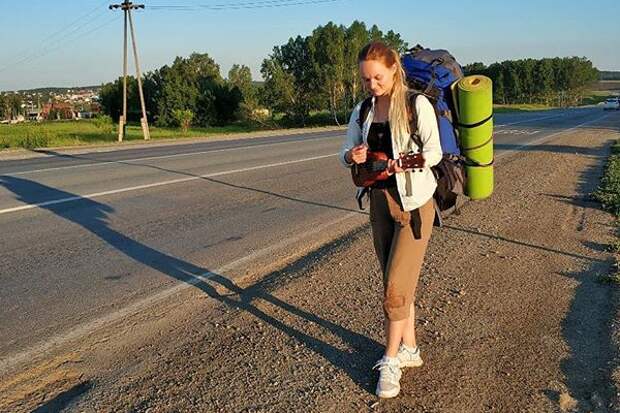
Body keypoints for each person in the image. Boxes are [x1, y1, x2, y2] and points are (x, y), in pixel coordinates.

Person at [340, 41, 442, 399]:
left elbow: (434, 152)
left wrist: (400, 163)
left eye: (377, 78)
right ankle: (410, 348)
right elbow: (344, 152)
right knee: (395, 282)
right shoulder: (364, 109)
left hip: (414, 205)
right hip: (379, 203)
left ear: (394, 69)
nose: (372, 85)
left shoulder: (416, 105)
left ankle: (391, 359)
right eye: (366, 79)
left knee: (395, 288)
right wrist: (352, 155)